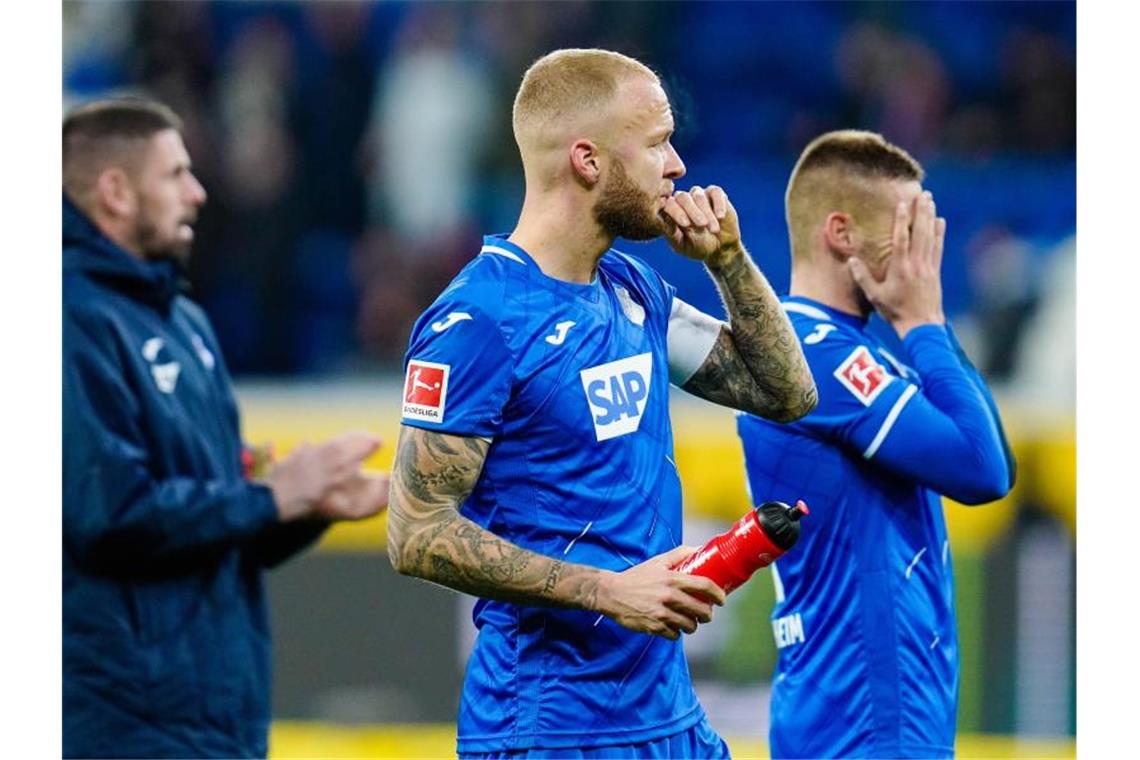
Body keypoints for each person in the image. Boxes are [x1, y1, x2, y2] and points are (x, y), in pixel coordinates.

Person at [386, 48, 817, 758]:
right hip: (548, 725)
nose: (677, 165)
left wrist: (728, 260)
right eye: (656, 145)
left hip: (668, 717)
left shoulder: (631, 289)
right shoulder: (479, 321)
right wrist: (606, 591)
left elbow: (787, 393)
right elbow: (416, 531)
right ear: (587, 160)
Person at [62, 98, 389, 758]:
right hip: (123, 722)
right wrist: (273, 495)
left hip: (218, 714)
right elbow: (110, 515)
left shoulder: (182, 319)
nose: (198, 191)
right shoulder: (64, 320)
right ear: (116, 192)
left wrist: (305, 505)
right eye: (175, 174)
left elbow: (212, 523)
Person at [735, 130, 1016, 759]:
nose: (922, 257)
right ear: (842, 234)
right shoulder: (815, 354)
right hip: (862, 718)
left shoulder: (852, 350)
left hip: (865, 716)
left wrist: (922, 330)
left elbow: (993, 453)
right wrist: (925, 323)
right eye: (907, 231)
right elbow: (982, 470)